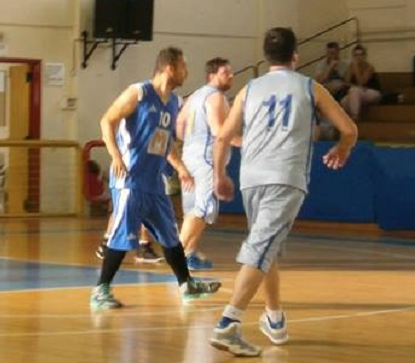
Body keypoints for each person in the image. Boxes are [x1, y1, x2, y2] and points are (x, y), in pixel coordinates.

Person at [209, 27, 357, 357]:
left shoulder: (249, 88)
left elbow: (222, 137)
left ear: (266, 57)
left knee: (266, 246)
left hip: (250, 178)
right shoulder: (309, 86)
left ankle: (274, 317)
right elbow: (349, 129)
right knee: (261, 247)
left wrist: (219, 175)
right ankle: (228, 324)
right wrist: (343, 149)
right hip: (285, 176)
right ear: (296, 56)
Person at [91, 47, 221, 310]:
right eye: (183, 66)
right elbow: (107, 120)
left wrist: (180, 167)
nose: (187, 72)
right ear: (170, 68)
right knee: (122, 236)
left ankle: (187, 285)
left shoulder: (173, 102)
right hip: (130, 179)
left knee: (170, 236)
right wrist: (115, 155)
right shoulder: (138, 93)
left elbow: (165, 140)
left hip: (154, 182)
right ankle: (100, 290)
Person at [176, 57, 235, 271]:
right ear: (212, 75)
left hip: (190, 156)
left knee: (193, 210)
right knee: (202, 208)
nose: (231, 76)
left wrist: (191, 141)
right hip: (206, 159)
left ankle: (189, 253)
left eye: (231, 72)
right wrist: (245, 141)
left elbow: (179, 124)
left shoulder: (194, 96)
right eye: (225, 72)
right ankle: (177, 255)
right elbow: (219, 131)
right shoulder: (215, 97)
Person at [341, 44, 381, 121]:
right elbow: (346, 83)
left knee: (354, 90)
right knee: (343, 101)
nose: (358, 57)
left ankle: (355, 117)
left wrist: (356, 69)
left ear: (365, 56)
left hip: (372, 92)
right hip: (358, 93)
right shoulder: (351, 67)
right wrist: (354, 85)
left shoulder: (369, 67)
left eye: (361, 55)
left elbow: (361, 83)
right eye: (356, 55)